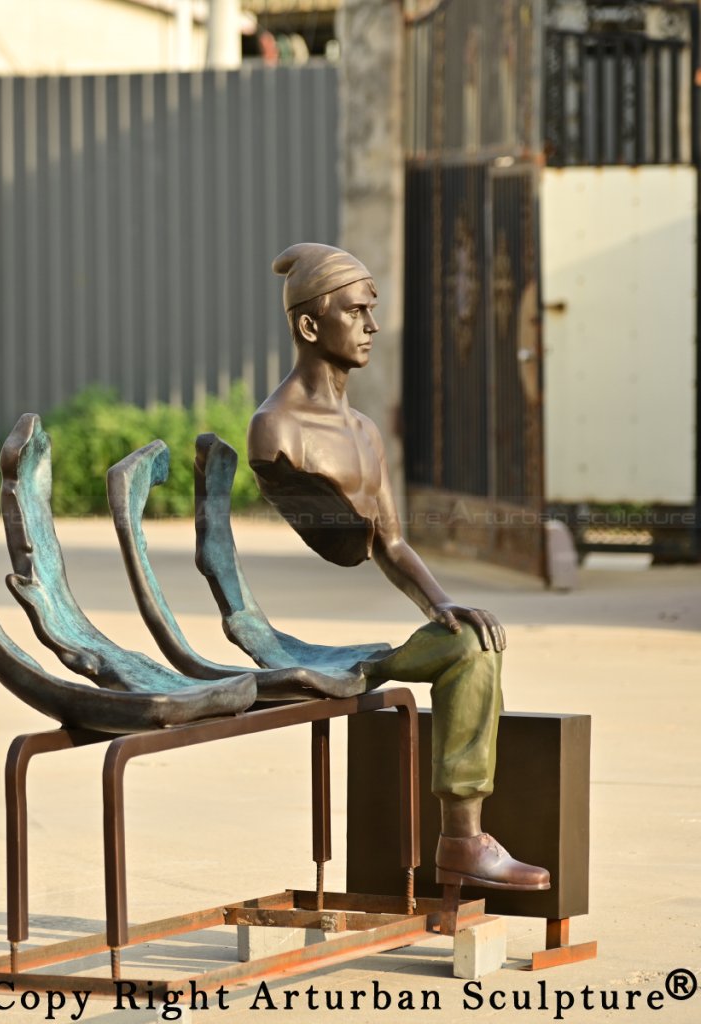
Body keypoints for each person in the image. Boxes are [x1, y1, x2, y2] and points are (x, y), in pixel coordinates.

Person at [248, 242, 549, 893]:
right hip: (290, 645)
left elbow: (389, 542)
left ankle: (463, 843)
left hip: (372, 638)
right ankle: (462, 843)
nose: (372, 326)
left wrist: (440, 603)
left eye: (372, 310)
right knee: (472, 652)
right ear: (308, 325)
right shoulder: (277, 431)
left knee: (470, 637)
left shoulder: (363, 430)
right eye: (356, 311)